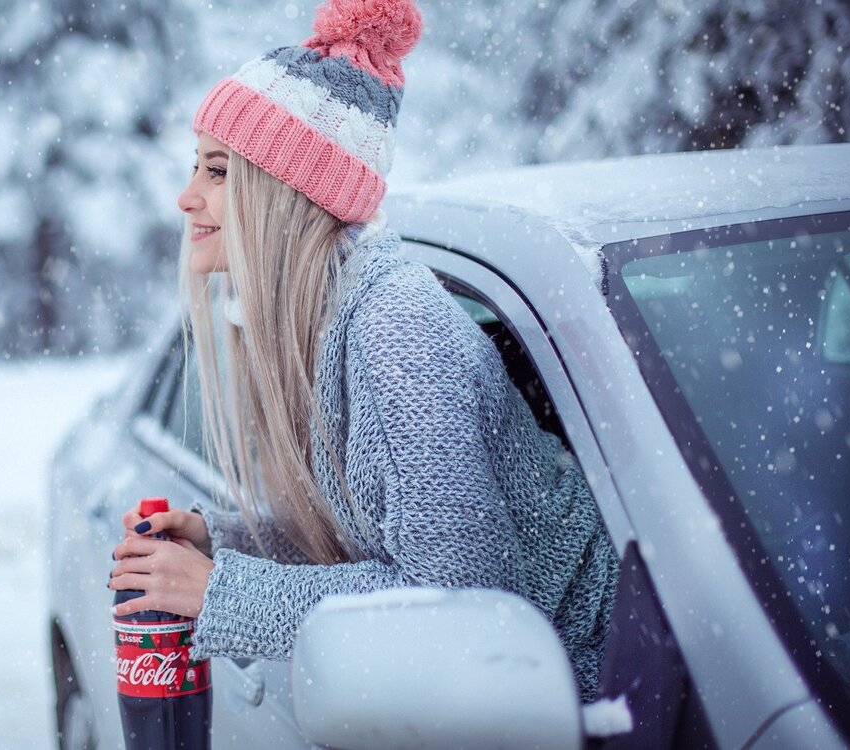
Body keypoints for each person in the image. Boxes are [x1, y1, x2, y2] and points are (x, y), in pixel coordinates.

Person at [108, 0, 619, 700]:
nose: (186, 198)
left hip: (595, 693)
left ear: (285, 191)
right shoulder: (331, 319)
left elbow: (460, 606)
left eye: (219, 172)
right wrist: (225, 542)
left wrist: (223, 593)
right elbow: (382, 543)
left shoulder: (395, 334)